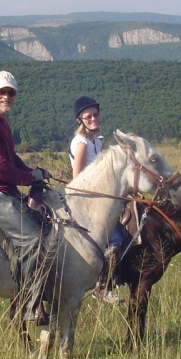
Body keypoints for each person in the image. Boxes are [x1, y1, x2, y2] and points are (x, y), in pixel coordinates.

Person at [0, 71, 52, 326]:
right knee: (32, 241)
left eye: (11, 92)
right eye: (1, 91)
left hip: (3, 191)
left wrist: (32, 172)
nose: (6, 96)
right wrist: (28, 178)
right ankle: (28, 305)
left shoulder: (1, 121)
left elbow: (10, 159)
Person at [70, 96, 125, 305]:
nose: (93, 118)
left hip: (101, 197)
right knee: (117, 238)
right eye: (88, 116)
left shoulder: (96, 140)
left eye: (95, 114)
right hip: (89, 201)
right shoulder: (82, 143)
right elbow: (78, 179)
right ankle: (101, 285)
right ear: (80, 120)